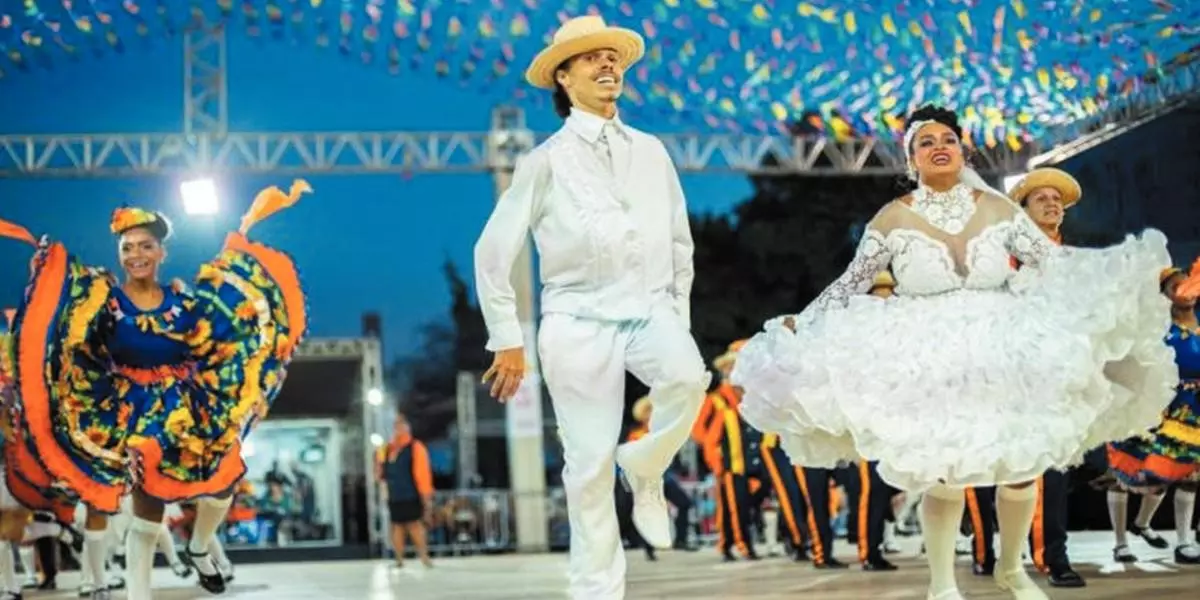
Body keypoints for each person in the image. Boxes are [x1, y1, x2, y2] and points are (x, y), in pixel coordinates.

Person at [730, 104, 1177, 600]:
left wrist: (1118, 285)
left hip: (1004, 345)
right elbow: (850, 284)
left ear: (962, 149)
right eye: (927, 142)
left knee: (1021, 466)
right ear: (911, 159)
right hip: (929, 354)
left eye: (948, 138)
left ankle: (1013, 568)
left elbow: (1055, 264)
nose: (940, 146)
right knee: (941, 473)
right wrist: (804, 320)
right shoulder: (893, 217)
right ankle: (942, 585)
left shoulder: (1000, 208)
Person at [473, 14, 708, 600]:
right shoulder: (544, 161)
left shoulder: (652, 152)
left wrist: (675, 321)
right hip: (576, 320)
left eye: (613, 57)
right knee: (589, 467)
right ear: (563, 77)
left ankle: (648, 466)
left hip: (650, 309)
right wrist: (507, 336)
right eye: (591, 58)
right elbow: (492, 250)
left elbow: (681, 244)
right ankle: (597, 592)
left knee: (687, 377)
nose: (608, 65)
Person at [0, 180, 309, 600]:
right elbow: (71, 342)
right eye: (128, 247)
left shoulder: (183, 303)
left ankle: (200, 547)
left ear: (161, 252)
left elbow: (219, 337)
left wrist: (255, 360)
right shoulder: (105, 305)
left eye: (145, 246)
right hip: (135, 410)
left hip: (186, 404)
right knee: (148, 511)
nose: (136, 255)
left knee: (224, 481)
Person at [1104, 264, 1200, 564]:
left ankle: (1183, 541)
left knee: (1189, 473)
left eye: (1189, 285)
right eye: (1176, 286)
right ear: (1165, 296)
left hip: (1191, 409)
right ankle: (1121, 542)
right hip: (1153, 406)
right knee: (1128, 473)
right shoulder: (1154, 330)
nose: (1185, 291)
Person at [375, 412, 434, 570]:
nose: (399, 428)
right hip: (394, 494)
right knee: (397, 526)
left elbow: (422, 473)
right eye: (396, 425)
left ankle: (424, 557)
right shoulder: (386, 449)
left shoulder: (415, 447)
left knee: (414, 525)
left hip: (411, 493)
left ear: (407, 427)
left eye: (401, 424)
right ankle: (399, 559)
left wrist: (425, 495)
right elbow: (381, 473)